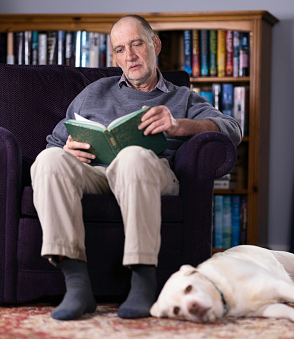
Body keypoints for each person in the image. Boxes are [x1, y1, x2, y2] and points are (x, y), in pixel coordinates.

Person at [30, 14, 242, 321]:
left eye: (136, 44)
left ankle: (143, 279)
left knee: (132, 157)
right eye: (119, 49)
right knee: (48, 161)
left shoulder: (181, 97)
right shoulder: (94, 92)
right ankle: (77, 284)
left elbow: (231, 129)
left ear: (154, 44)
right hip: (97, 174)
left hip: (151, 173)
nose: (129, 56)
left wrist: (179, 124)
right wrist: (67, 150)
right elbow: (53, 142)